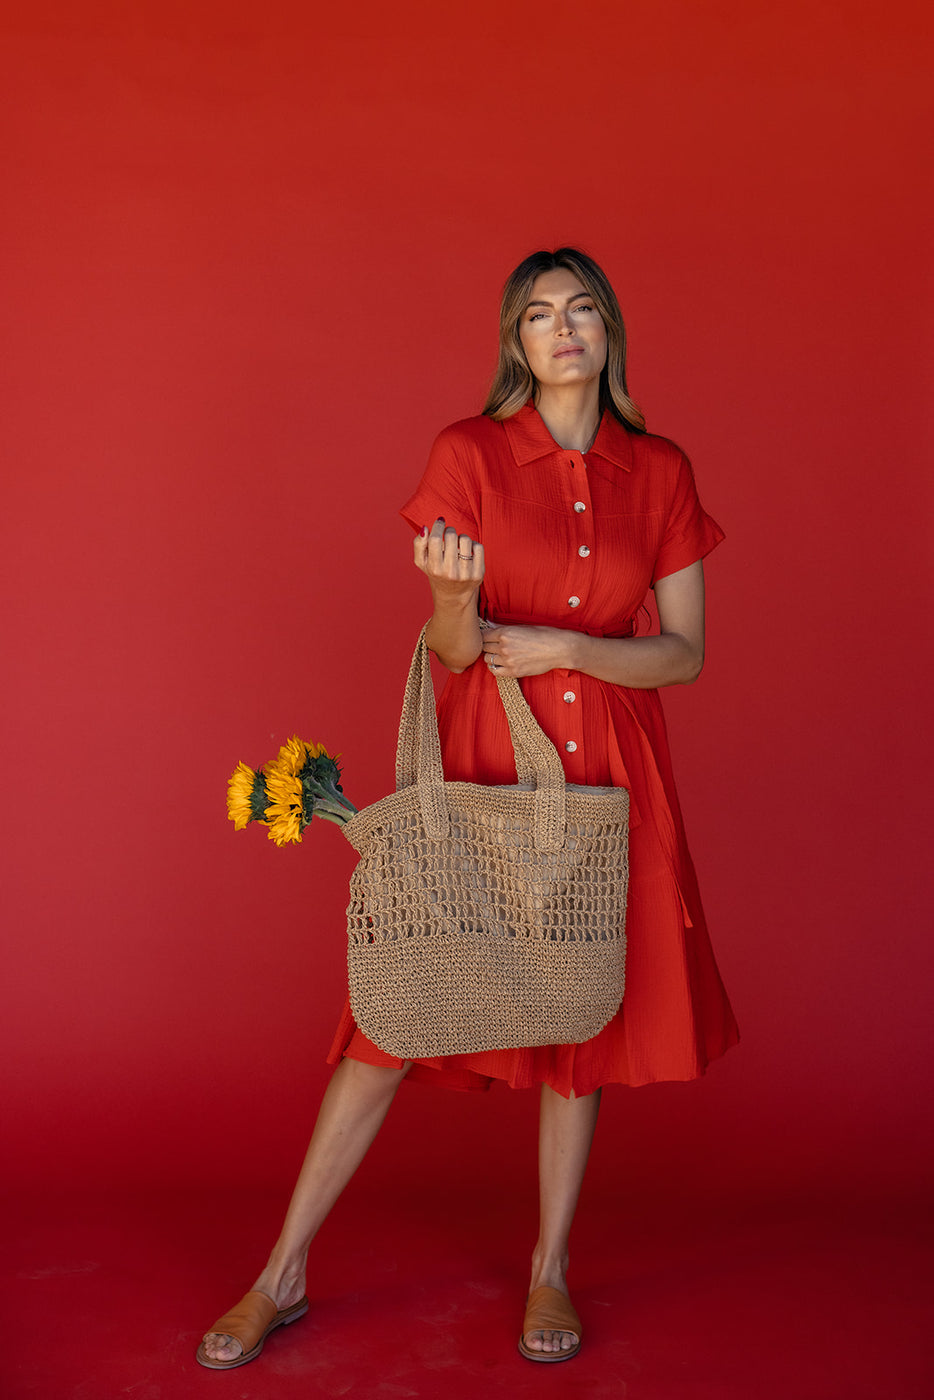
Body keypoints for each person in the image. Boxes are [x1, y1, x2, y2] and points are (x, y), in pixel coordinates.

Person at [197, 246, 738, 1370]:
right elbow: (453, 651)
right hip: (486, 763)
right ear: (515, 341)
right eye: (538, 314)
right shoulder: (470, 454)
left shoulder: (662, 470)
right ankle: (280, 1274)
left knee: (581, 1013)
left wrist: (567, 647)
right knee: (392, 1015)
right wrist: (452, 596)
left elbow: (684, 654)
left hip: (610, 776)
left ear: (608, 329)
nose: (562, 327)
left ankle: (550, 1268)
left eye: (580, 308)